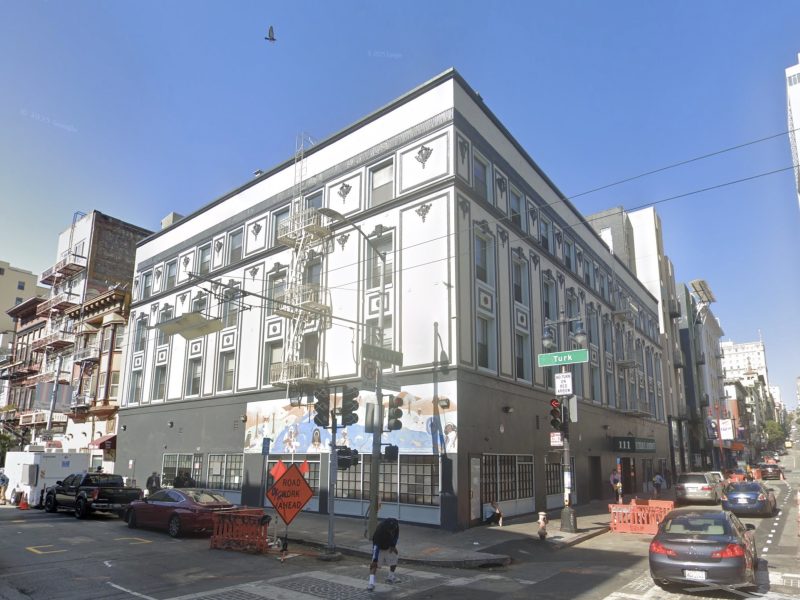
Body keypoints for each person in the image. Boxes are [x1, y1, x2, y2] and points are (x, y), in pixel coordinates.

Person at [368, 517, 400, 591]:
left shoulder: (396, 525)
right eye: (390, 530)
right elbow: (376, 546)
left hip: (389, 546)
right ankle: (371, 582)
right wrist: (375, 559)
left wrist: (393, 545)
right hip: (379, 548)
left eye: (393, 530)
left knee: (395, 558)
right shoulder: (379, 531)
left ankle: (391, 577)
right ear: (386, 528)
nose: (391, 531)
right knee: (374, 565)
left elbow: (396, 536)